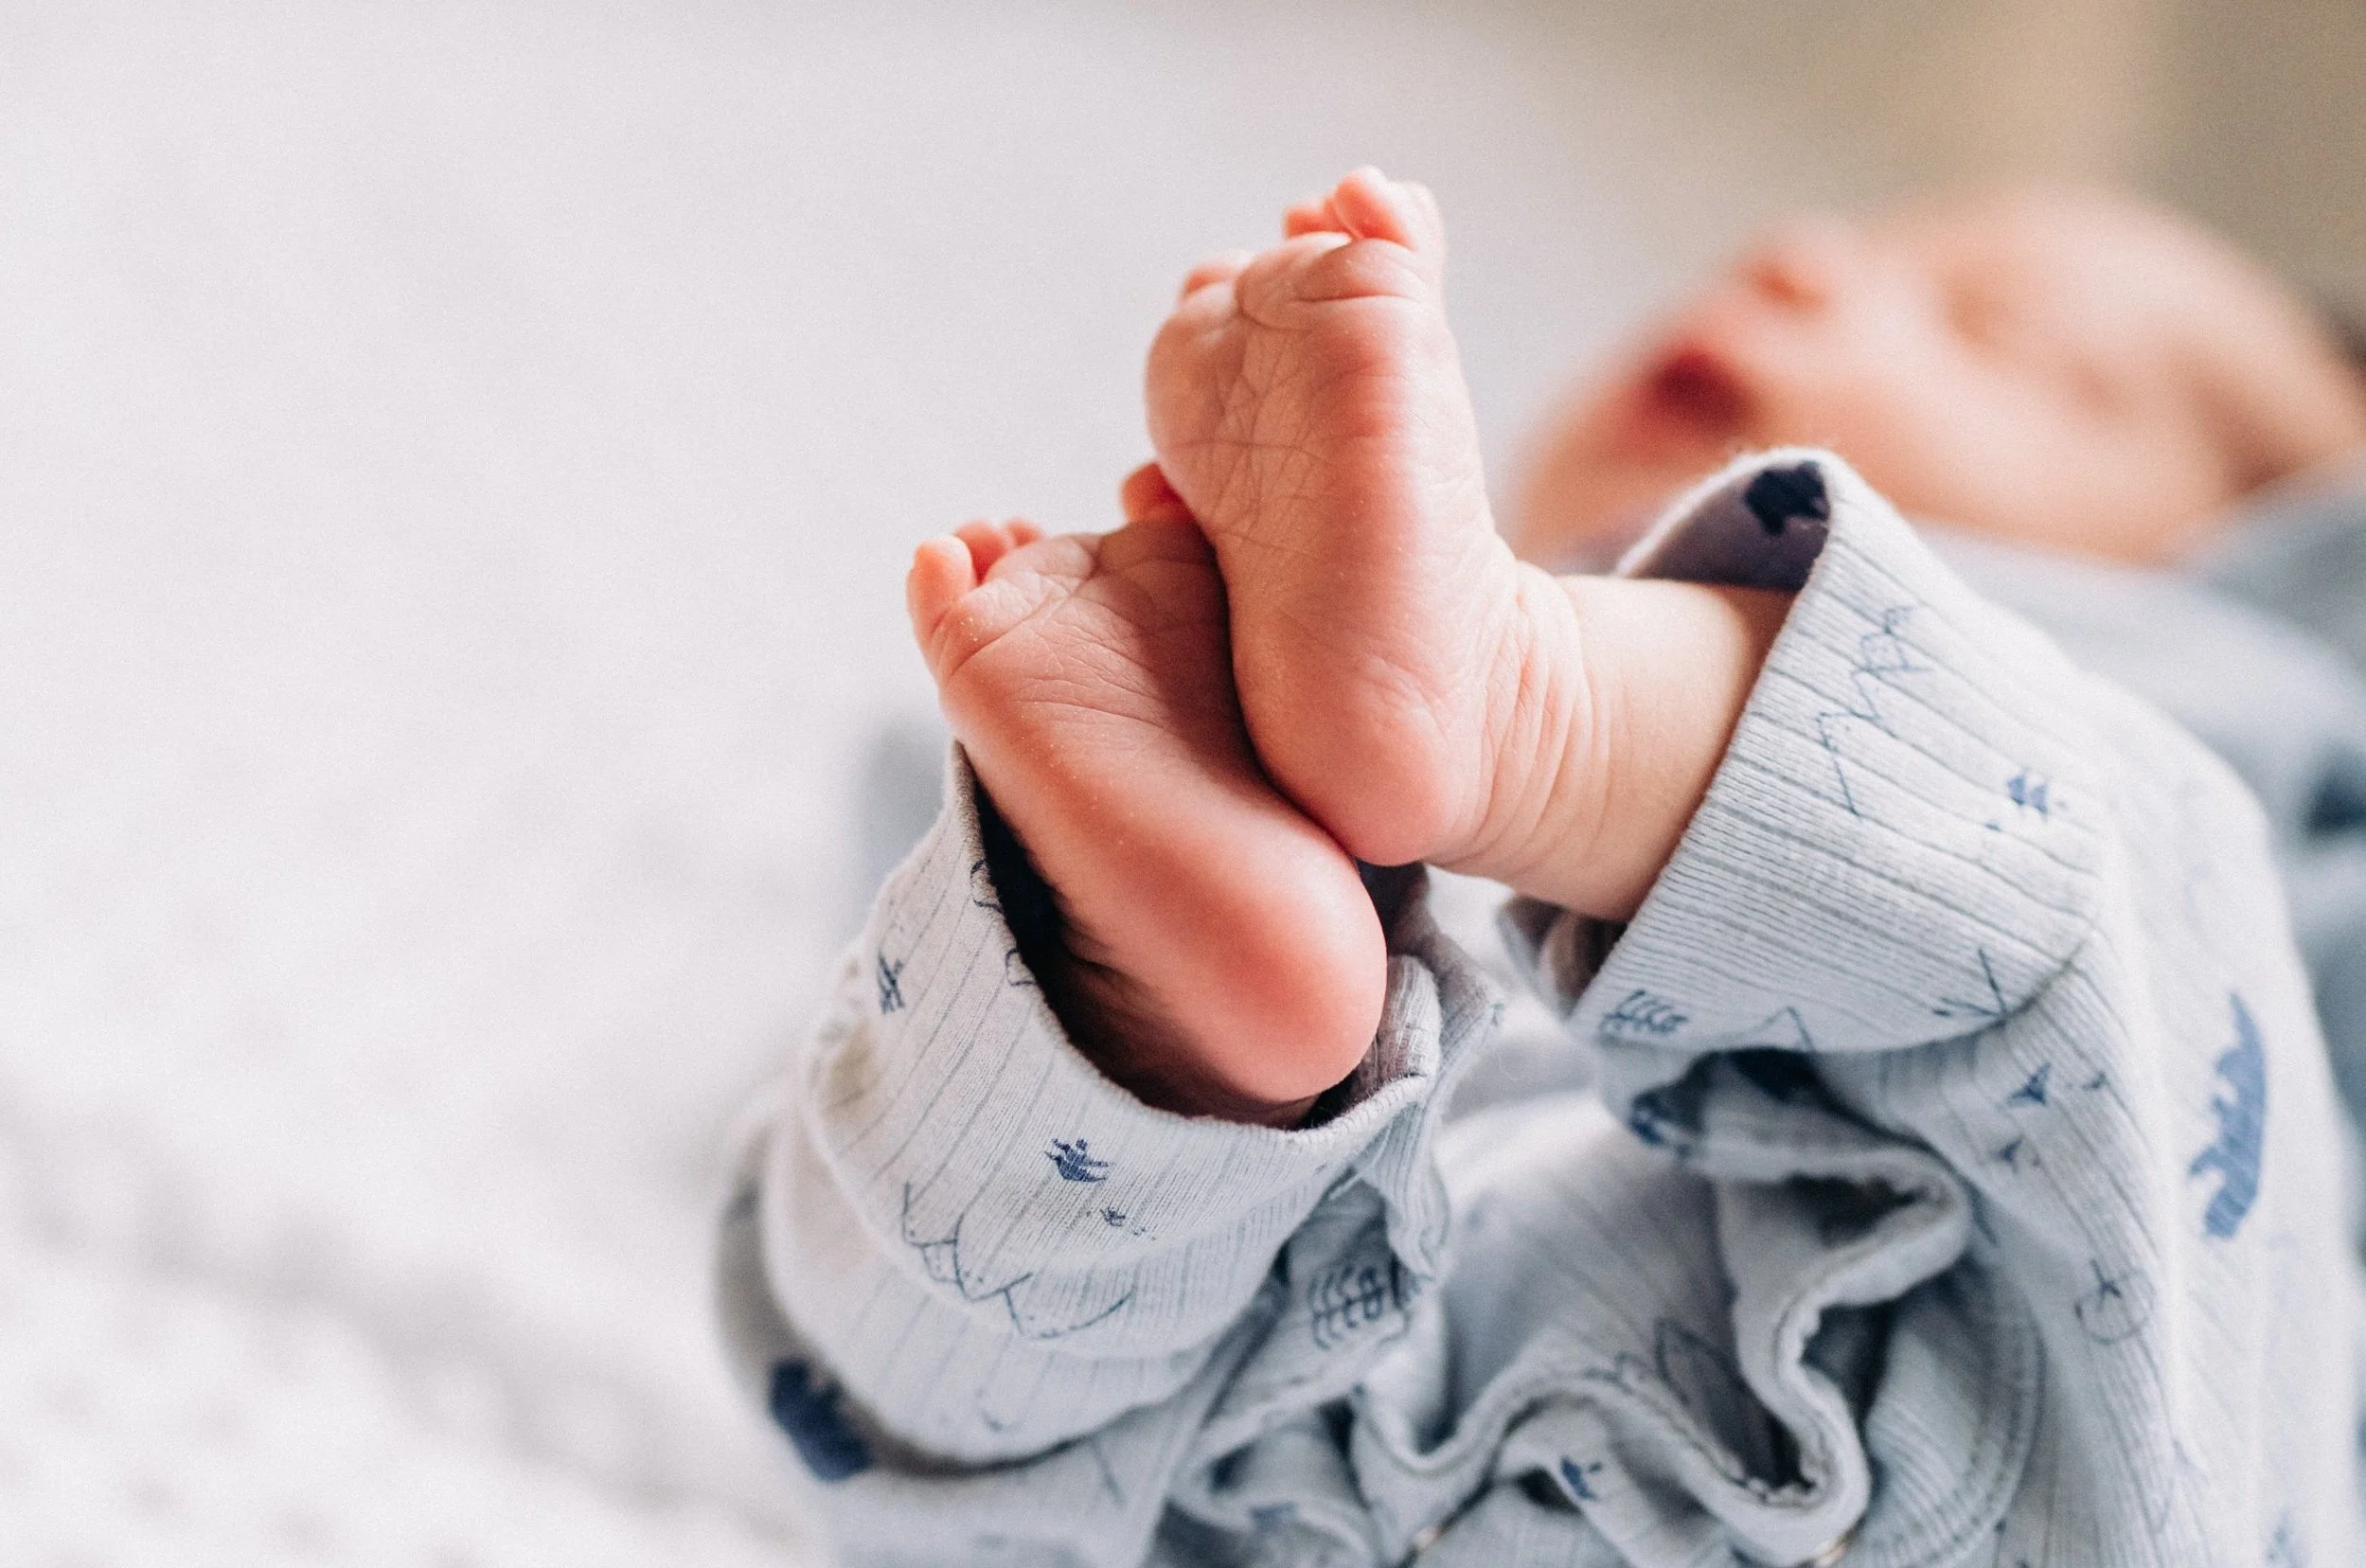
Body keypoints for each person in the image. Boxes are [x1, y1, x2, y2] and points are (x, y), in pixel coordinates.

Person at [717, 172, 2366, 1565]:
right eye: (1852, 252)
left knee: (2135, 849)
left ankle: (1507, 747)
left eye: (1996, 335)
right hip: (1296, 1443)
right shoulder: (1293, 683)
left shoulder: (2260, 726)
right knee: (976, 1273)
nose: (1794, 254)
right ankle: (1131, 1015)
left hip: (2034, 1438)